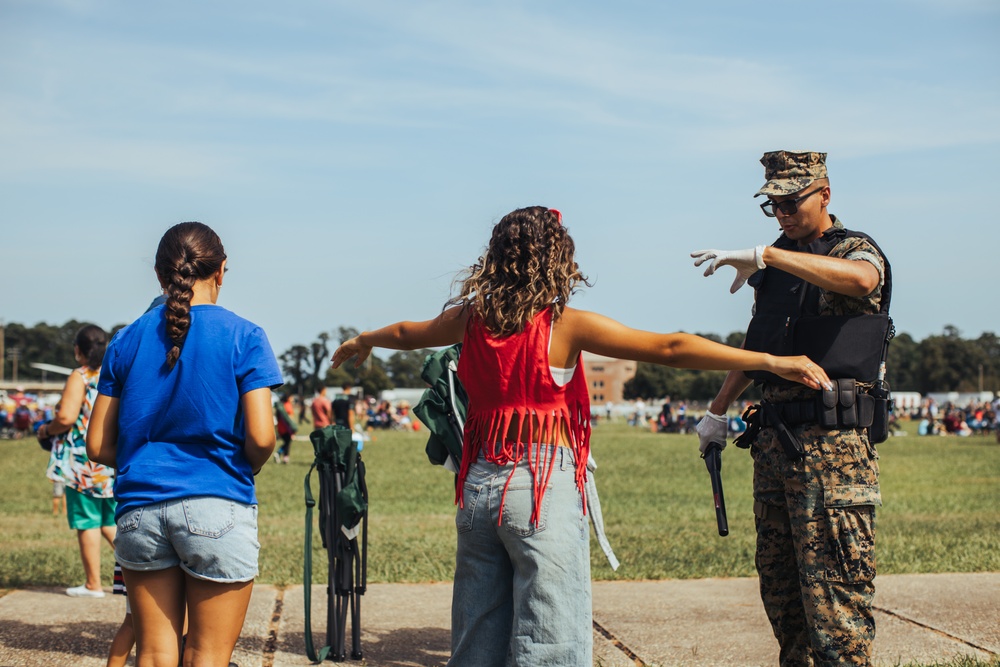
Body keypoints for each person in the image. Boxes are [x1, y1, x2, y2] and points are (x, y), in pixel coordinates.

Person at [331, 205, 830, 667]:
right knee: (550, 639)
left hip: (478, 487)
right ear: (556, 260)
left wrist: (363, 340)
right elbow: (671, 348)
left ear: (496, 258)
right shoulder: (563, 325)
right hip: (540, 487)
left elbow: (404, 334)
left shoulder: (469, 320)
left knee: (476, 639)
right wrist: (768, 360)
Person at [692, 151, 891, 666]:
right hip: (777, 446)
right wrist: (717, 412)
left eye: (790, 201)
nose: (781, 213)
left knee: (836, 605)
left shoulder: (854, 249)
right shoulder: (777, 258)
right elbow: (760, 346)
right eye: (772, 204)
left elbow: (864, 281)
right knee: (783, 596)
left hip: (834, 451)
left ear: (824, 193)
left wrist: (769, 255)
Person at [86, 221, 283, 667]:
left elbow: (97, 445)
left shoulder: (125, 339)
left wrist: (143, 460)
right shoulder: (245, 336)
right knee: (207, 656)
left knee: (155, 656)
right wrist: (239, 464)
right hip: (217, 501)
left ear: (160, 275)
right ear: (221, 270)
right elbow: (262, 436)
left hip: (139, 510)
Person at [38, 324, 117, 597]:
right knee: (109, 520)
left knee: (87, 521)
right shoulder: (112, 373)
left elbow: (66, 417)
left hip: (82, 461)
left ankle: (93, 583)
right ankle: (144, 569)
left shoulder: (80, 376)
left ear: (77, 350)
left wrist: (46, 430)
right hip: (108, 456)